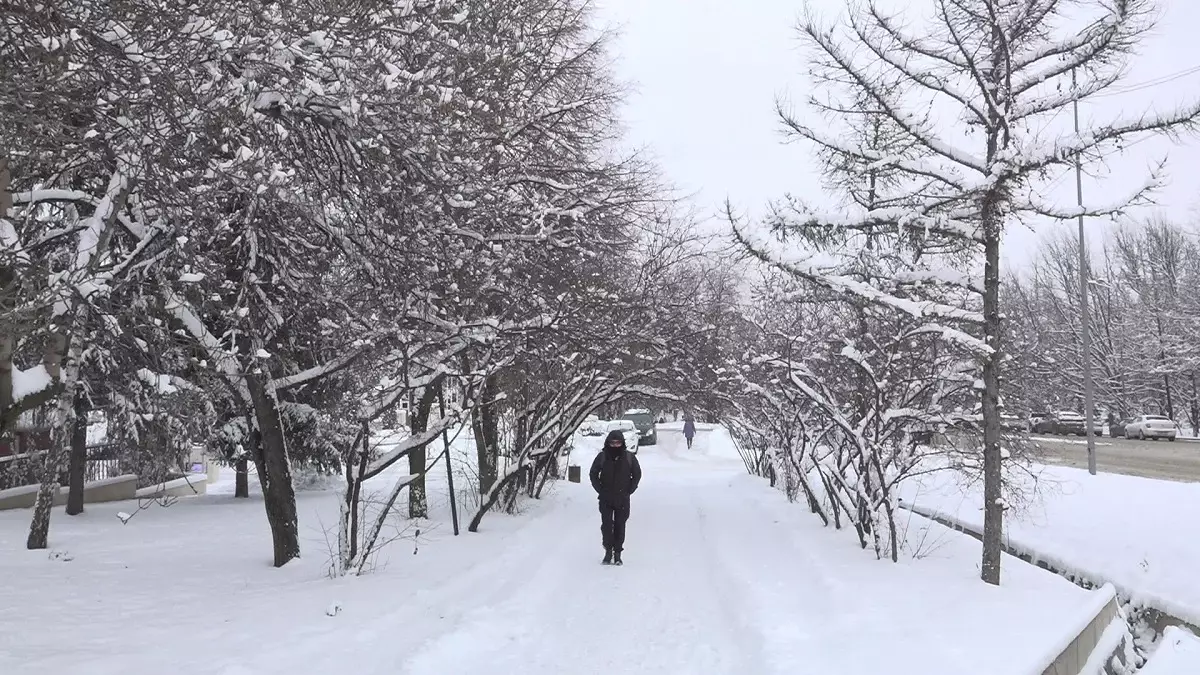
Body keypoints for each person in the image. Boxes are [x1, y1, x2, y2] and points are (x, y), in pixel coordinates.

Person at [589, 430, 642, 565]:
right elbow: (593, 474)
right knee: (606, 526)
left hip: (622, 498)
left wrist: (630, 490)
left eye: (618, 443)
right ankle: (608, 551)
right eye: (612, 443)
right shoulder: (602, 457)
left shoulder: (629, 458)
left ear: (622, 443)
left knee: (620, 525)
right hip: (605, 498)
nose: (615, 446)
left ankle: (617, 553)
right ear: (608, 443)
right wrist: (600, 490)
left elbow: (637, 474)